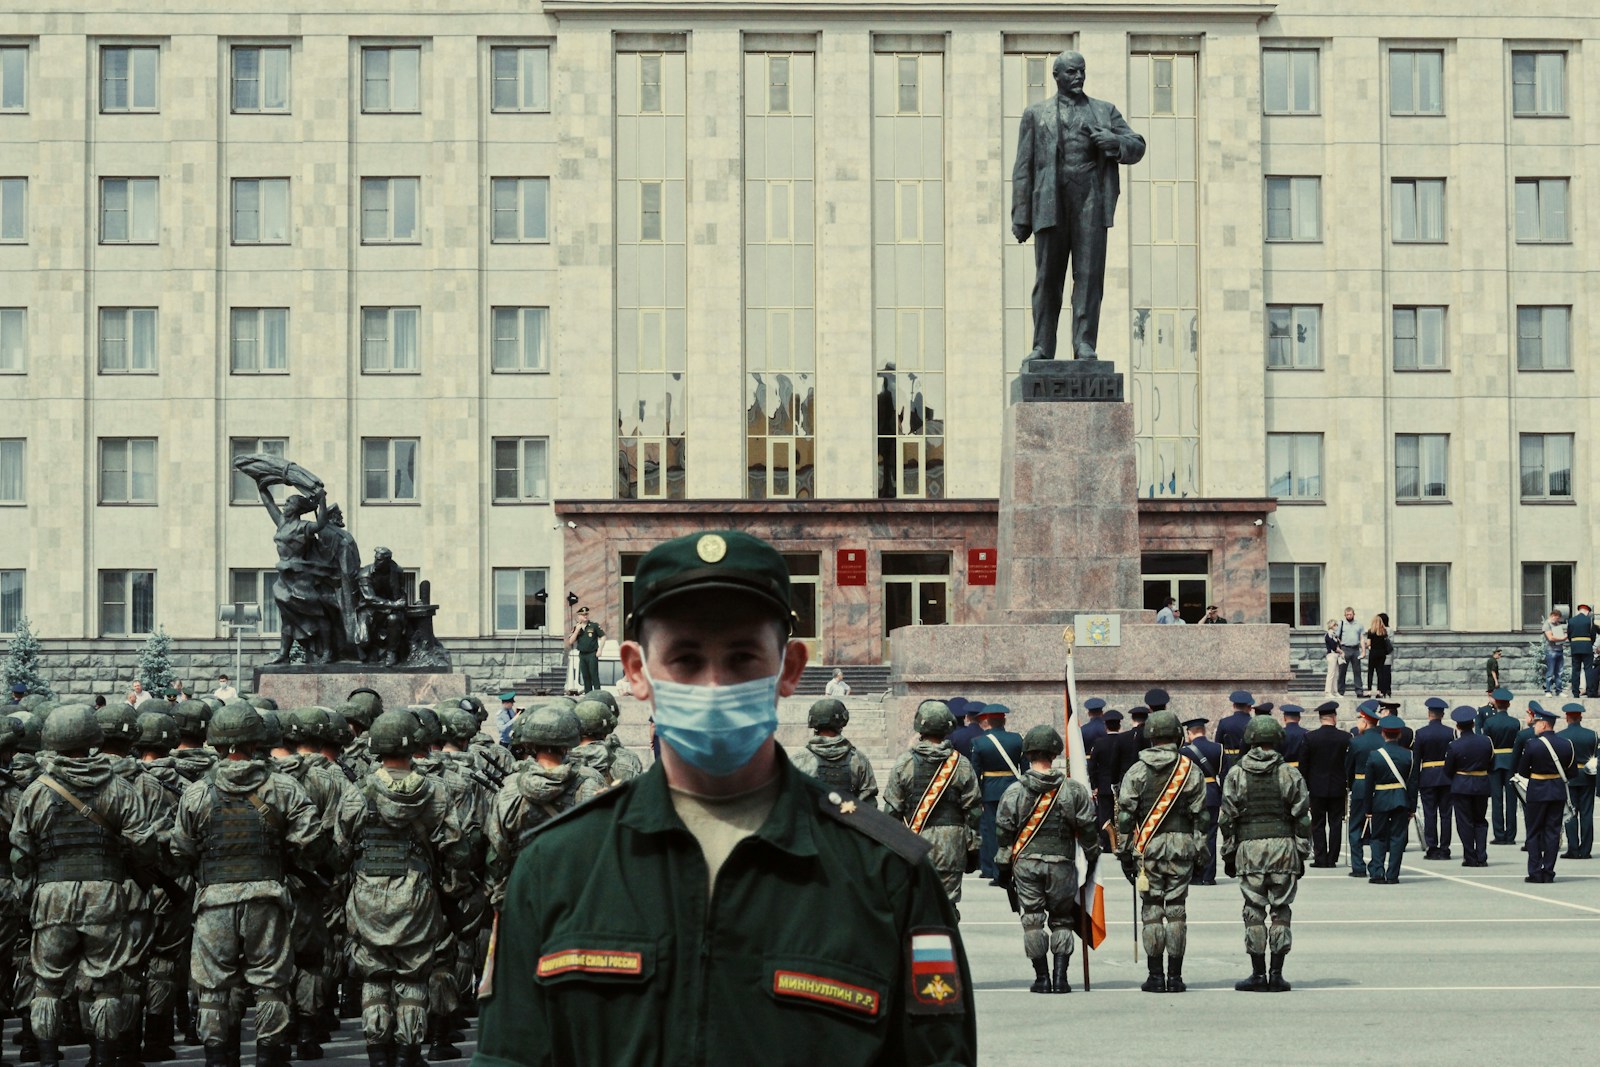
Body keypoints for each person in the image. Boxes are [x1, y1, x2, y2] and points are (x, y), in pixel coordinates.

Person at [474, 530, 977, 1064]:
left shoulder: (885, 873)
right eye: (686, 660)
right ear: (637, 671)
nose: (714, 687)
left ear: (789, 670)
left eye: (742, 658)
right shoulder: (558, 865)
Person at [168, 704, 322, 1067]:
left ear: (217, 743)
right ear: (257, 742)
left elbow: (180, 849)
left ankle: (219, 1057)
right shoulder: (284, 787)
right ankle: (269, 1056)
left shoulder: (197, 793)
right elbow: (311, 842)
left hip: (214, 901)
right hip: (266, 898)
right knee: (270, 985)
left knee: (214, 987)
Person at [9, 705, 161, 1067]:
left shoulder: (37, 791)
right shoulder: (119, 787)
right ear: (94, 740)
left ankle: (47, 1058)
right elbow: (145, 844)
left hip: (52, 896)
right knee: (106, 983)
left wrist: (28, 893)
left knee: (47, 982)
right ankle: (103, 1056)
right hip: (105, 894)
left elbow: (20, 853)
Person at [336, 709, 472, 1067]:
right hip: (417, 896)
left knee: (375, 975)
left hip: (367, 897)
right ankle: (409, 1053)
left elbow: (338, 850)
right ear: (415, 747)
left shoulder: (357, 792)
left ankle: (378, 1054)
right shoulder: (436, 792)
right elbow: (457, 850)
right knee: (413, 976)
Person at [1010, 49, 1145, 362]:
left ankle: (1084, 343)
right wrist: (1021, 216)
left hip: (1090, 201)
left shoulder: (1103, 111)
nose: (1078, 77)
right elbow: (1023, 168)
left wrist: (1114, 142)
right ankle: (1043, 345)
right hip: (1050, 204)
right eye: (1071, 72)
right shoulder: (1035, 114)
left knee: (1088, 277)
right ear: (1056, 76)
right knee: (1048, 279)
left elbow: (1137, 144)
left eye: (1082, 71)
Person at [993, 726, 1097, 995]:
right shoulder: (1073, 790)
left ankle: (1042, 979)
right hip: (1061, 862)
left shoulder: (1014, 791)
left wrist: (1003, 868)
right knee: (1062, 920)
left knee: (1033, 920)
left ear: (1027, 754)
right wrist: (1093, 854)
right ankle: (1061, 978)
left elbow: (1004, 833)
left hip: (1026, 863)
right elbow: (1087, 828)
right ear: (1055, 753)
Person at [1114, 710, 1205, 994]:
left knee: (1152, 911)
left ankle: (1155, 976)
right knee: (1176, 912)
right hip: (1181, 846)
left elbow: (1126, 817)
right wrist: (1201, 851)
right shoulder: (1190, 769)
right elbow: (1200, 816)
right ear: (1178, 736)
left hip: (1147, 847)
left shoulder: (1137, 770)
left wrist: (1126, 852)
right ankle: (1175, 977)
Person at [1219, 716, 1310, 992]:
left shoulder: (1236, 773)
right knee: (1280, 910)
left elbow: (1226, 819)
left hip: (1250, 848)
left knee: (1254, 911)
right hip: (1283, 847)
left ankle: (1258, 974)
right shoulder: (1289, 773)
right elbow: (1302, 818)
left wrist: (1228, 853)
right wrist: (1302, 853)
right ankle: (1277, 974)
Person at [884, 701, 983, 910]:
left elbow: (892, 810)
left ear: (919, 727)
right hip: (952, 843)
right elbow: (973, 810)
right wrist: (972, 845)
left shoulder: (904, 763)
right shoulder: (962, 764)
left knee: (917, 906)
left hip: (914, 842)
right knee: (948, 908)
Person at [1518, 703, 1576, 882]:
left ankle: (1535, 871)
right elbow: (1573, 773)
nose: (1534, 726)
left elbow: (1522, 771)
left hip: (1537, 791)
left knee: (1534, 831)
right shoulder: (1566, 744)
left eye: (1536, 723)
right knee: (1553, 832)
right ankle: (1549, 871)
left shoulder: (1532, 745)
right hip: (1557, 791)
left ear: (1543, 724)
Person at [788, 698, 879, 808]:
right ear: (842, 722)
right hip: (849, 822)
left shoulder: (798, 760)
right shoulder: (859, 759)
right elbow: (869, 805)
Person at [968, 705, 1024, 881]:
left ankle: (996, 870)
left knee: (992, 831)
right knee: (1015, 828)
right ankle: (1015, 866)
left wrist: (976, 797)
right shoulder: (1016, 739)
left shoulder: (978, 742)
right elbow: (1025, 767)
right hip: (1014, 788)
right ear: (1004, 721)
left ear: (986, 722)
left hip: (990, 791)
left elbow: (976, 773)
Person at [1365, 714, 1416, 884]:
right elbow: (1413, 783)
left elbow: (1368, 785)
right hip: (1401, 799)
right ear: (1399, 734)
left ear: (1383, 734)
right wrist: (1412, 807)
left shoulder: (1374, 755)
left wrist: (1368, 808)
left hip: (1380, 799)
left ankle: (1378, 872)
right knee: (1397, 837)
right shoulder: (1409, 755)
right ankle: (1393, 874)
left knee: (1378, 837)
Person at [1298, 701, 1350, 867]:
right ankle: (1333, 857)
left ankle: (1320, 858)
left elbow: (1303, 765)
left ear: (1321, 718)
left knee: (1318, 823)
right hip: (1338, 786)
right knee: (1335, 823)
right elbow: (1348, 763)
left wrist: (1305, 785)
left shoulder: (1310, 737)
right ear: (1334, 717)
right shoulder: (1345, 737)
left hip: (1317, 787)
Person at [1443, 706, 1493, 867]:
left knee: (1465, 822)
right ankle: (1481, 855)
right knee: (1480, 820)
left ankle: (1470, 856)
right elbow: (1491, 763)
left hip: (1462, 785)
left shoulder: (1454, 745)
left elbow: (1448, 769)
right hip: (1481, 784)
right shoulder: (1486, 741)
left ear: (1458, 726)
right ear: (1473, 724)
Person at [1179, 717, 1223, 886]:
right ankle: (1209, 876)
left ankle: (1196, 875)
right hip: (1212, 794)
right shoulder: (1218, 748)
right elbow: (1224, 775)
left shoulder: (1184, 752)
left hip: (1191, 795)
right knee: (1211, 835)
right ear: (1203, 731)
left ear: (1190, 733)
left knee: (1192, 834)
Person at [1343, 702, 1383, 877]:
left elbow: (1348, 768)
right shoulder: (1384, 740)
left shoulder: (1356, 742)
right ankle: (1377, 865)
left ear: (1365, 722)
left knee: (1355, 827)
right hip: (1381, 788)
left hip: (1360, 786)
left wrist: (1350, 786)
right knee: (1379, 828)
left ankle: (1358, 866)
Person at [1414, 697, 1454, 860]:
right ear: (1442, 714)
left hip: (1428, 776)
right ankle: (1445, 847)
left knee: (1430, 813)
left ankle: (1432, 846)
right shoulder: (1450, 732)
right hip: (1446, 776)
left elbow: (1417, 760)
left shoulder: (1421, 733)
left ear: (1429, 714)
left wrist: (1415, 781)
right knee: (1446, 814)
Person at [1482, 689, 1521, 845]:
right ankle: (1510, 836)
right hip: (1511, 761)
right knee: (1511, 801)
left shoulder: (1489, 722)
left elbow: (1487, 744)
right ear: (1509, 704)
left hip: (1495, 761)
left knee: (1497, 800)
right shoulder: (1515, 722)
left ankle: (1499, 834)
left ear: (1496, 704)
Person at [1558, 703, 1595, 860]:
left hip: (1569, 777)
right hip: (1587, 776)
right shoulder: (1592, 735)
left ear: (1567, 718)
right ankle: (1585, 850)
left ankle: (1573, 848)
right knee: (1586, 814)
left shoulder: (1560, 735)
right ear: (1580, 717)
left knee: (1570, 814)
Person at [1088, 709, 1125, 851]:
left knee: (1105, 814)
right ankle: (1121, 842)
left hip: (1103, 785)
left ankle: (1108, 844)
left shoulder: (1099, 743)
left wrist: (1094, 785)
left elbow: (1092, 766)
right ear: (1119, 726)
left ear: (1105, 726)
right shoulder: (1124, 740)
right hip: (1121, 784)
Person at [566, 605, 604, 694]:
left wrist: (600, 649)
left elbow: (603, 636)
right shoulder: (577, 628)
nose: (585, 616)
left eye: (586, 614)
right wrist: (576, 631)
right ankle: (588, 694)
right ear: (579, 616)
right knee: (585, 676)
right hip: (582, 654)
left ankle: (597, 693)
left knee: (593, 674)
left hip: (592, 653)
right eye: (583, 615)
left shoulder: (594, 626)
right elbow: (571, 641)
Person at [1216, 691, 1254, 778]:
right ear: (1249, 707)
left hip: (1228, 761)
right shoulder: (1253, 722)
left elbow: (1218, 744)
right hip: (1248, 760)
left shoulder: (1224, 722)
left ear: (1233, 706)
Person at [1335, 607, 1364, 696]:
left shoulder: (1358, 624)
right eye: (1347, 614)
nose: (1349, 616)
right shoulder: (1341, 624)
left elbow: (1362, 638)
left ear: (1354, 614)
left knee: (1357, 671)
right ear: (1345, 615)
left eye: (1350, 614)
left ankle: (1359, 690)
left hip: (1355, 649)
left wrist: (1363, 651)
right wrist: (1338, 649)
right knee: (1342, 671)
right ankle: (1340, 691)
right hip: (1345, 649)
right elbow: (1336, 637)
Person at [1569, 605, 1597, 698]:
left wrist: (1574, 644)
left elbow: (1569, 635)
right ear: (1587, 611)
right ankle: (1590, 692)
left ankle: (1575, 693)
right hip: (1587, 647)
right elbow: (1593, 635)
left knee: (1575, 670)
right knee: (1588, 669)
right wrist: (1590, 643)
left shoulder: (1571, 620)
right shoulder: (1589, 620)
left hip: (1575, 647)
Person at [1363, 614, 1392, 698]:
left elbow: (1368, 643)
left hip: (1373, 653)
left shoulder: (1370, 631)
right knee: (1380, 672)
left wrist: (1367, 646)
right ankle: (1380, 691)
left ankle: (1369, 690)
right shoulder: (1384, 631)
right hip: (1382, 654)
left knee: (1370, 672)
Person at [1542, 610, 1568, 696]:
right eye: (1557, 618)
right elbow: (1550, 638)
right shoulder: (1547, 624)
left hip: (1559, 649)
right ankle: (1548, 691)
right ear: (1553, 616)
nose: (1557, 620)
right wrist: (1563, 639)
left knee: (1559, 672)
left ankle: (1559, 690)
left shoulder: (1557, 624)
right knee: (1550, 672)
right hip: (1551, 650)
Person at [1280, 705, 1308, 769]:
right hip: (1301, 769)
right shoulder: (1307, 734)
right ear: (1299, 718)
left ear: (1284, 718)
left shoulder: (1279, 733)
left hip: (1283, 769)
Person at [1322, 620, 1341, 697]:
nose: (1336, 626)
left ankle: (1335, 691)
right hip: (1331, 654)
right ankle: (1328, 691)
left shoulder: (1334, 634)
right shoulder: (1329, 634)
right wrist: (1340, 651)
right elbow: (1333, 646)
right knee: (1331, 673)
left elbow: (1338, 644)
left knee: (1336, 674)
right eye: (1335, 625)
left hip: (1336, 655)